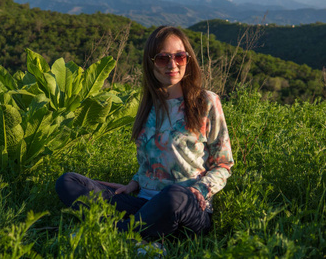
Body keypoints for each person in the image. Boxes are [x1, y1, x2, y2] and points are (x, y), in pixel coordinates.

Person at [55, 25, 234, 239]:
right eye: (162, 58)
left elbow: (223, 165)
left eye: (180, 57)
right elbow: (152, 160)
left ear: (189, 59)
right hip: (144, 202)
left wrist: (201, 190)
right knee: (69, 182)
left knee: (173, 196)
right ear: (151, 63)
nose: (172, 65)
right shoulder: (149, 104)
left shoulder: (205, 101)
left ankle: (115, 232)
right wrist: (135, 182)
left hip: (187, 207)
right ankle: (137, 230)